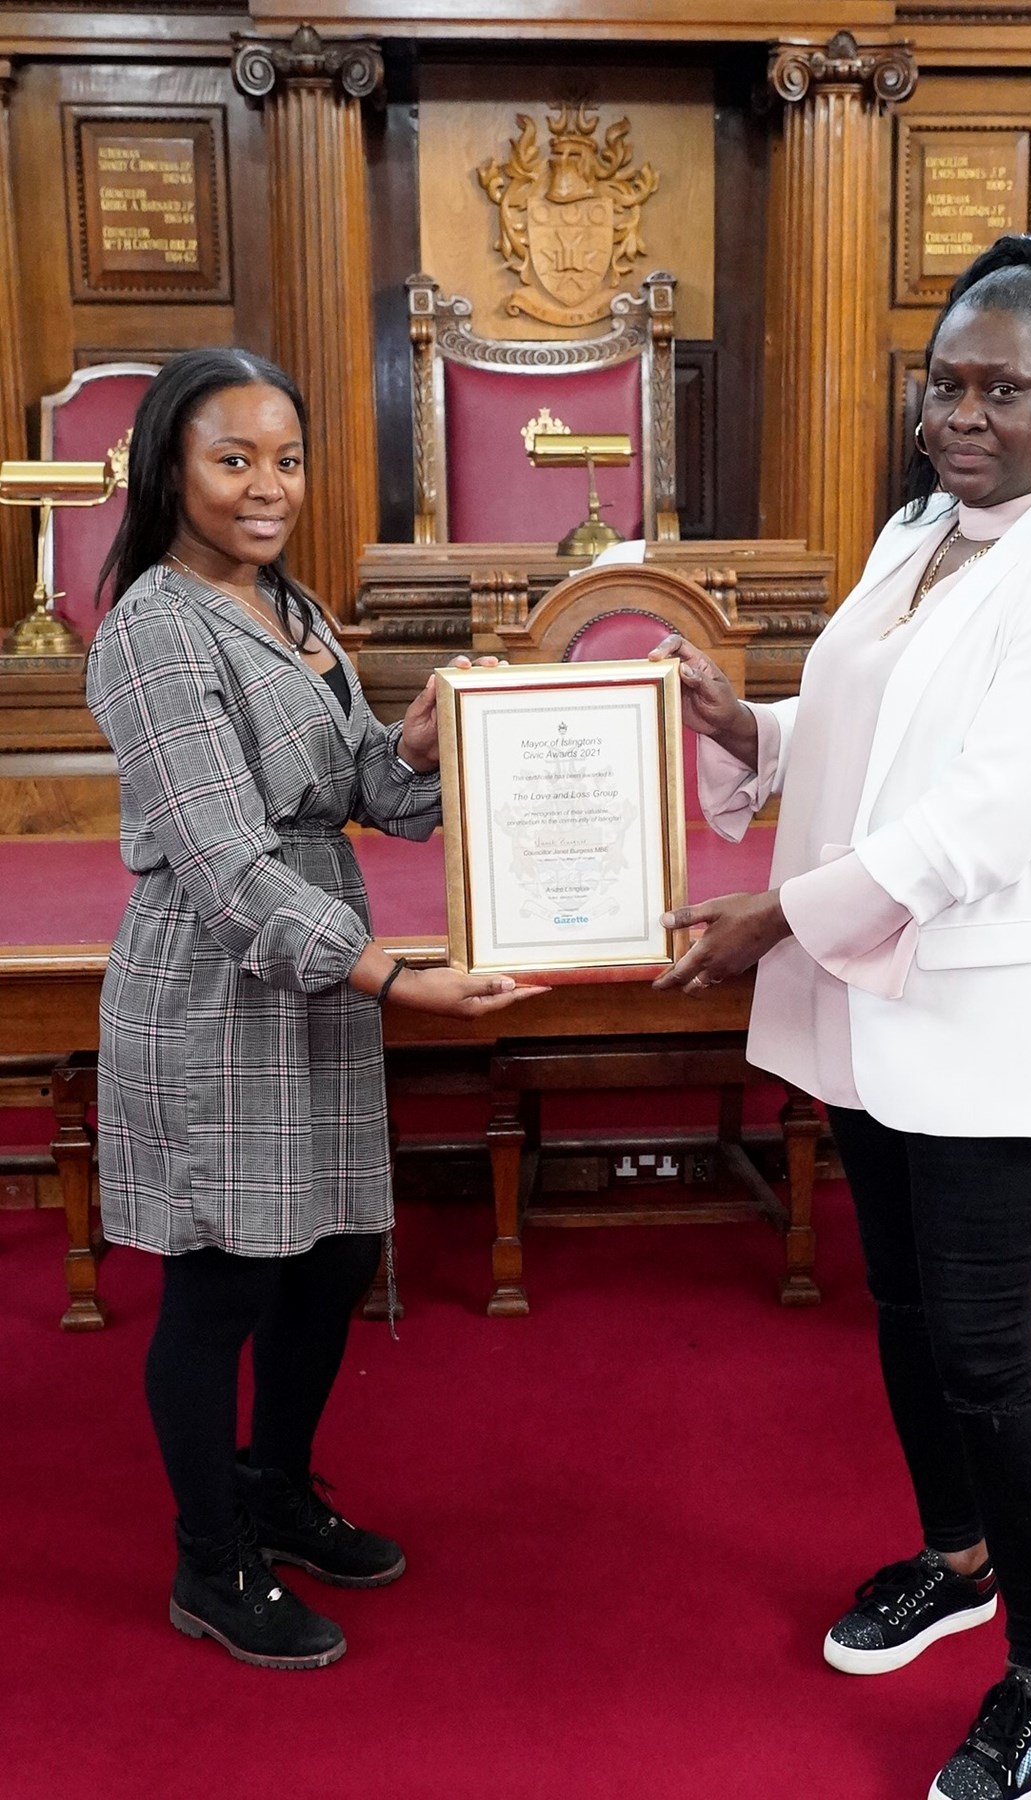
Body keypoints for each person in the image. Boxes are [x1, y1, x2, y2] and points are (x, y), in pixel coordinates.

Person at [652, 236, 1031, 1798]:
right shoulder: (917, 530)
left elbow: (980, 816)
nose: (961, 412)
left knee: (983, 1359)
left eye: (1000, 388)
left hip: (988, 1012)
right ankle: (956, 1564)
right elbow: (876, 717)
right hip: (871, 997)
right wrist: (755, 726)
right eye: (943, 383)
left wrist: (770, 918)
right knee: (899, 1313)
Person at [87, 347, 546, 1672]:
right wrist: (400, 978)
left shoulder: (289, 607)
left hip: (317, 978)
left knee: (333, 1251)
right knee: (225, 1275)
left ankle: (275, 1489)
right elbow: (227, 867)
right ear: (167, 467)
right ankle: (207, 1558)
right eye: (234, 460)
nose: (267, 485)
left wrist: (430, 742)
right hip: (217, 979)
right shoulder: (151, 628)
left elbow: (363, 795)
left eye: (285, 459)